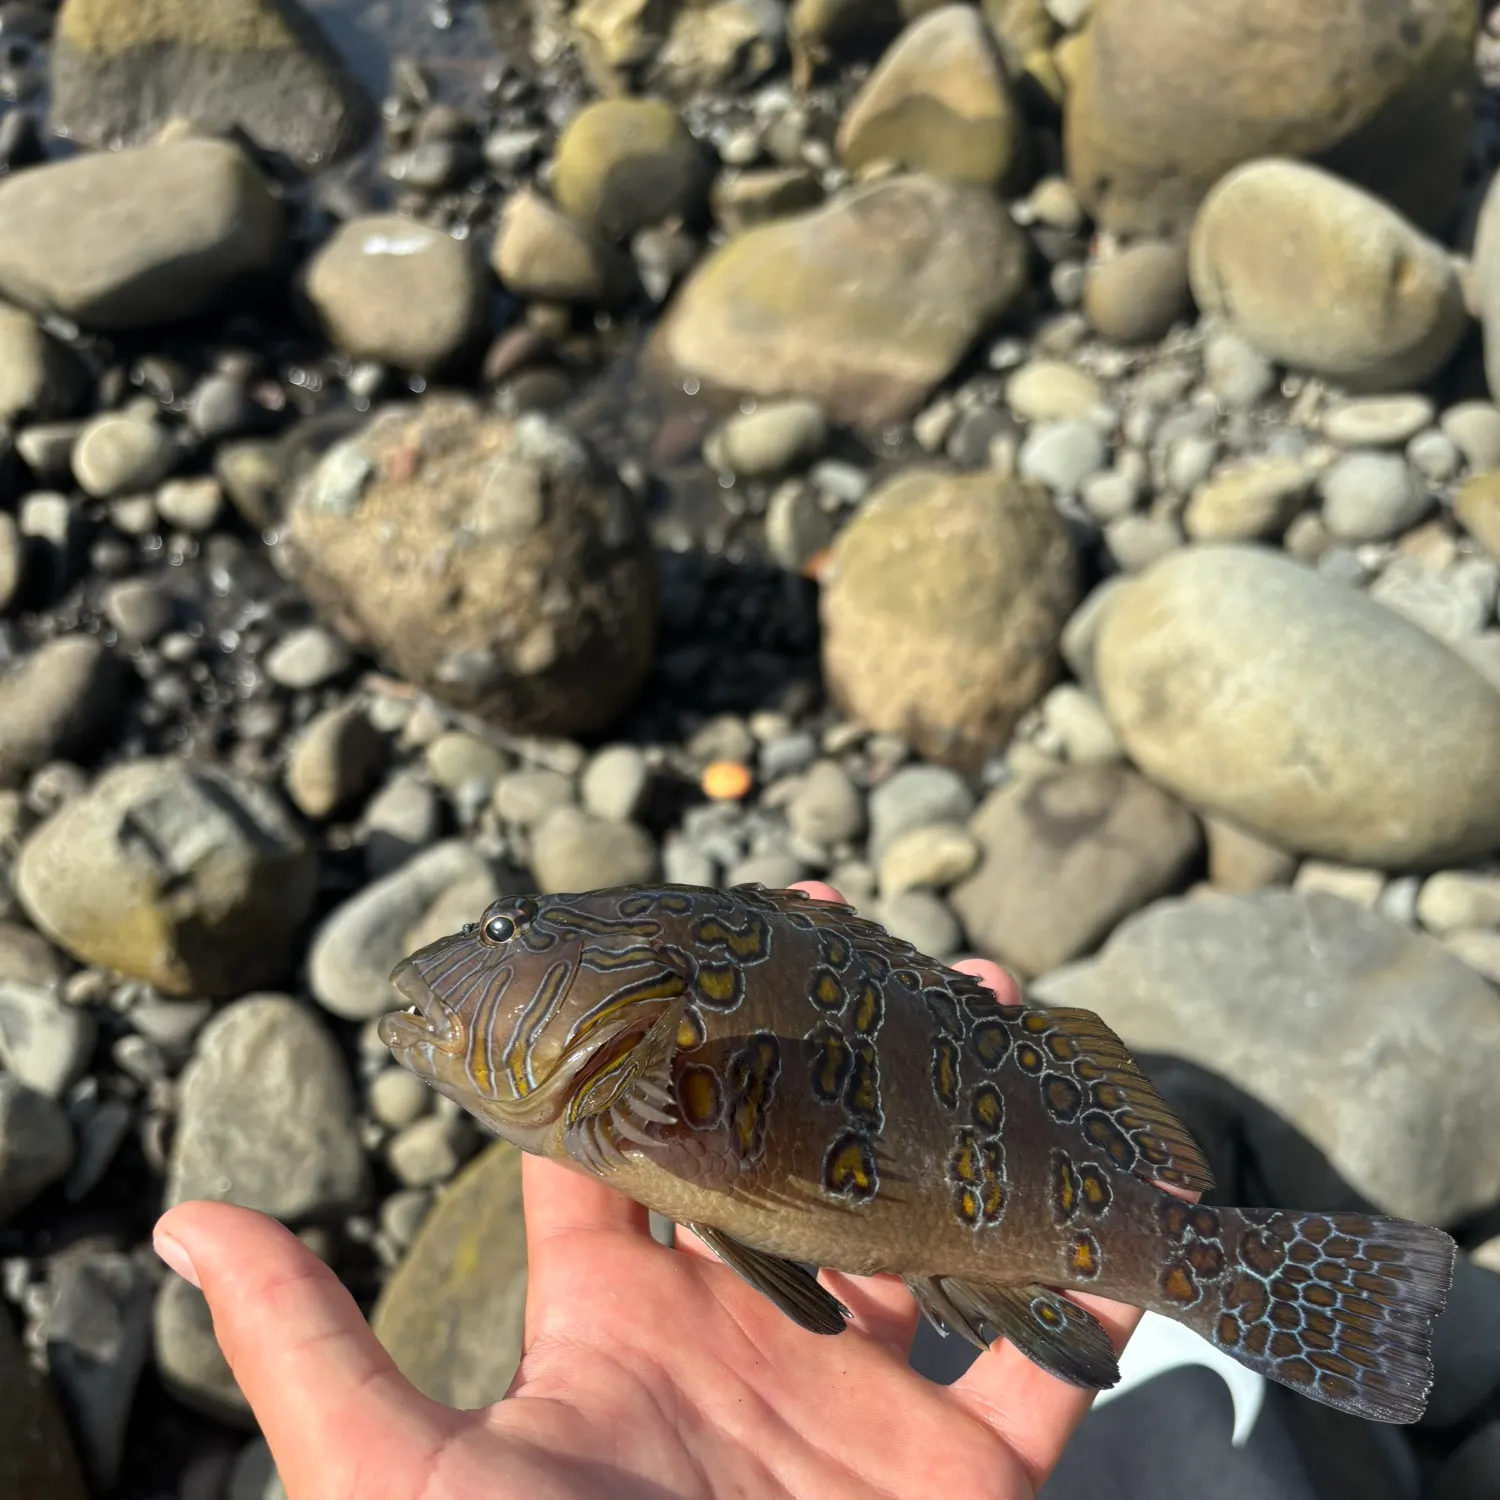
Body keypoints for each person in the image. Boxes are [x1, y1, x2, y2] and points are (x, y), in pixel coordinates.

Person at [154, 882, 1194, 1500]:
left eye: (509, 932)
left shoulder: (645, 1066)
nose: (460, 963)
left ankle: (1227, 1276)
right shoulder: (618, 1088)